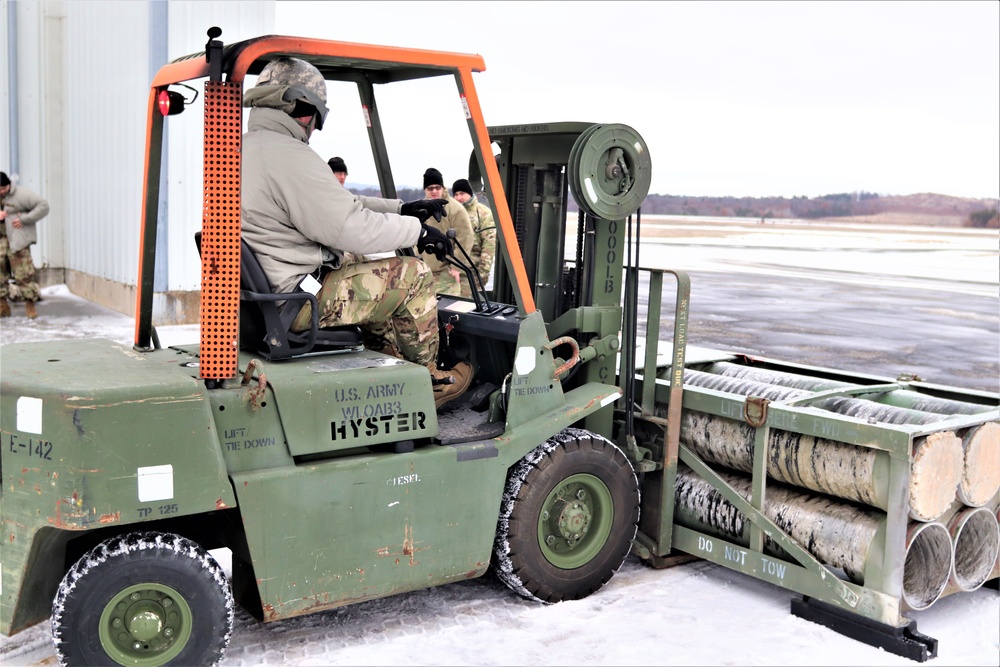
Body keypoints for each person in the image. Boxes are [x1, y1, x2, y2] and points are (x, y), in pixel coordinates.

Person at [240, 57, 472, 409]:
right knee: (414, 276)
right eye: (318, 117)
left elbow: (335, 203)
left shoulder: (247, 148)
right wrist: (416, 232)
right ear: (304, 108)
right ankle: (427, 382)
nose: (314, 129)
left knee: (366, 265)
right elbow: (351, 228)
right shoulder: (289, 156)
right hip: (295, 302)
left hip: (270, 294)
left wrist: (399, 209)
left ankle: (388, 363)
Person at [1, 171, 49, 319]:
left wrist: (26, 219)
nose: (2, 191)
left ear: (9, 184)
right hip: (1, 238)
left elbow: (43, 206)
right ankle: (2, 304)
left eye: (4, 188)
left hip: (18, 239)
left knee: (24, 273)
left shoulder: (22, 194)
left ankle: (30, 304)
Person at [420, 168, 474, 297]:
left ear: (443, 188)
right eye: (430, 188)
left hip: (446, 275)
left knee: (446, 312)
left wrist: (456, 267)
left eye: (437, 187)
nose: (434, 191)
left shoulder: (455, 209)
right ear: (425, 190)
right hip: (424, 274)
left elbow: (466, 238)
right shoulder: (420, 209)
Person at [451, 179, 497, 297]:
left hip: (471, 273)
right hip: (451, 272)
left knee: (466, 306)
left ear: (470, 194)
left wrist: (482, 273)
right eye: (456, 194)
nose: (458, 198)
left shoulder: (483, 213)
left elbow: (489, 245)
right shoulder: (451, 214)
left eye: (462, 194)